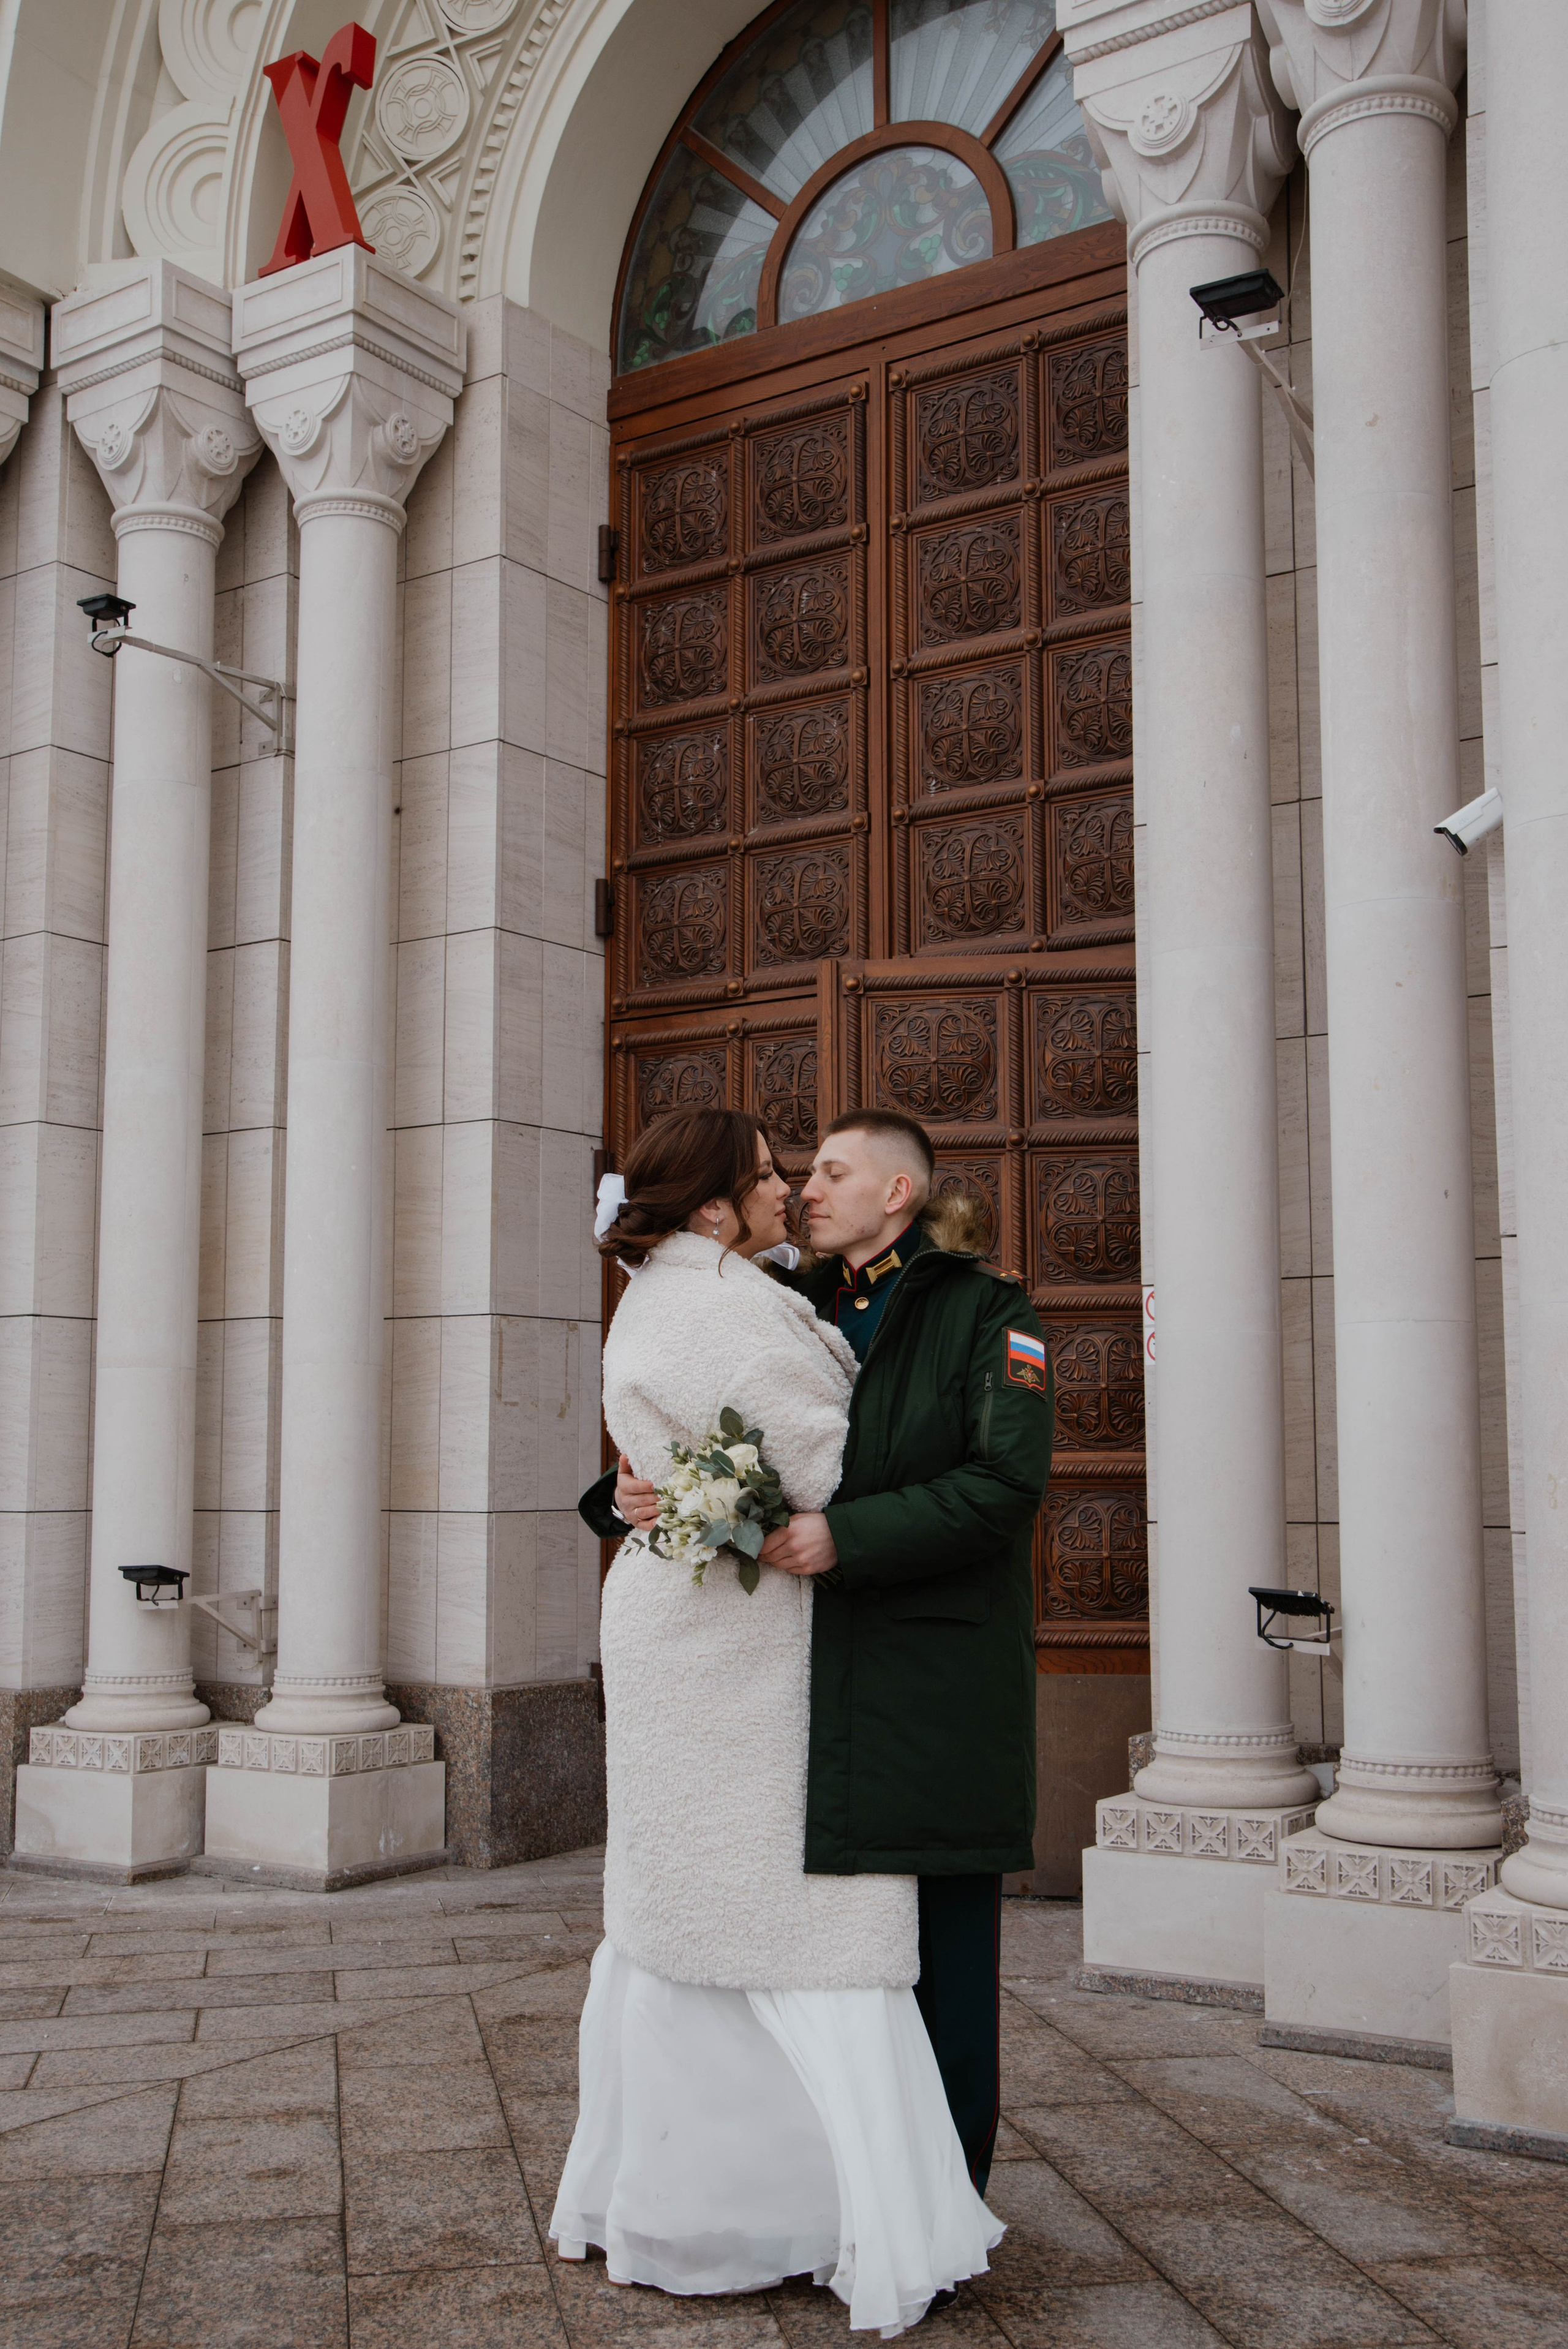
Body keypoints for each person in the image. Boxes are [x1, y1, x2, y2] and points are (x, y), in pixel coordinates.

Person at [551, 1106, 1001, 2335]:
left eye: (817, 1172)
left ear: (898, 1197)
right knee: (783, 1916)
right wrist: (638, 1492)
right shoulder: (724, 1302)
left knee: (753, 1916)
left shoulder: (879, 1297)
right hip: (735, 1653)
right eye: (765, 1177)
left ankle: (759, 2192)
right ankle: (828, 2201)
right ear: (709, 1210)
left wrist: (669, 1488)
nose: (791, 1189)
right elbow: (820, 1459)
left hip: (761, 1640)